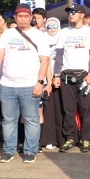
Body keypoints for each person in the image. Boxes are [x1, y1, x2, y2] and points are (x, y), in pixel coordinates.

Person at [0, 4, 50, 164]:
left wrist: (40, 82)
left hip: (30, 85)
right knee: (8, 121)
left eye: (26, 16)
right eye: (19, 16)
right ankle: (9, 151)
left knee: (31, 120)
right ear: (15, 17)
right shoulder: (7, 34)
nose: (23, 19)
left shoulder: (39, 36)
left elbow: (45, 61)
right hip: (7, 85)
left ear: (31, 17)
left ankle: (30, 151)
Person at [52, 3, 90, 153]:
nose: (70, 14)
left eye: (74, 12)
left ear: (82, 15)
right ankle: (70, 138)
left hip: (84, 76)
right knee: (68, 109)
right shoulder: (63, 32)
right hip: (67, 75)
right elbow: (59, 55)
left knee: (85, 109)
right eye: (69, 12)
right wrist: (56, 75)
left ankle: (86, 139)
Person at [40, 17, 63, 150]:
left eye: (55, 26)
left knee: (60, 110)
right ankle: (47, 138)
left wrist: (57, 76)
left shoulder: (62, 39)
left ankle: (60, 138)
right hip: (45, 80)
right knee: (47, 111)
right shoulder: (42, 39)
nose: (52, 29)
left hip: (60, 79)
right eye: (50, 26)